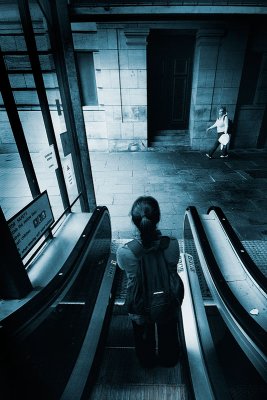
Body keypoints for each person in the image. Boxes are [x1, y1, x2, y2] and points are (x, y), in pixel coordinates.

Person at [116, 196, 181, 368]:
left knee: (142, 333)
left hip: (139, 303)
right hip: (167, 300)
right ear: (158, 219)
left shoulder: (124, 252)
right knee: (168, 330)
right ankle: (169, 359)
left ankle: (147, 361)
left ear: (134, 220)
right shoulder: (172, 244)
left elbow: (125, 269)